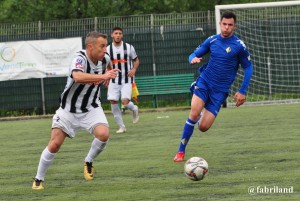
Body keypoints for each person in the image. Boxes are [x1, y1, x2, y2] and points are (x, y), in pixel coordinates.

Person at [32, 31, 120, 190]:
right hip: (68, 111)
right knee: (54, 144)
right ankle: (39, 178)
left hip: (91, 108)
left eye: (105, 46)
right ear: (90, 47)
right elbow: (78, 77)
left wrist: (109, 75)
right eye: (101, 46)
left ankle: (88, 161)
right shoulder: (80, 59)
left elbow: (109, 65)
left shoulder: (104, 58)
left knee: (104, 134)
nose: (105, 50)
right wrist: (103, 77)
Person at [173, 12, 253, 162]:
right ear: (220, 24)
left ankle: (202, 115)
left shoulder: (239, 46)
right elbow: (193, 54)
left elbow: (248, 67)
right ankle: (180, 152)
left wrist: (242, 91)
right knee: (194, 113)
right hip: (204, 82)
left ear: (234, 26)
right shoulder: (212, 40)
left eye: (230, 25)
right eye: (224, 24)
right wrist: (193, 59)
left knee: (203, 127)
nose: (226, 28)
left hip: (220, 92)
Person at [107, 27, 140, 133]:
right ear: (112, 35)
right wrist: (107, 75)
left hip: (126, 79)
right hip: (113, 80)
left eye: (120, 33)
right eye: (116, 33)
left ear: (122, 35)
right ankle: (121, 126)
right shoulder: (107, 49)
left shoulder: (129, 47)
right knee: (113, 101)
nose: (118, 35)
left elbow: (136, 60)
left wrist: (134, 69)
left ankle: (134, 109)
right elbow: (106, 63)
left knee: (125, 101)